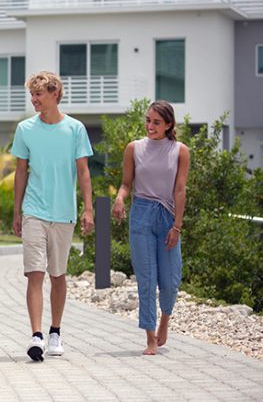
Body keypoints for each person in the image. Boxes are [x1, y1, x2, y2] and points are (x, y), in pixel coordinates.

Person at [11, 71, 94, 362]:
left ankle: (55, 332)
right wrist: (17, 210)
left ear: (54, 94)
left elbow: (83, 171)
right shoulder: (25, 129)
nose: (34, 100)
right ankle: (36, 335)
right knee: (34, 273)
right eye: (31, 95)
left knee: (57, 275)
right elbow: (21, 172)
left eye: (39, 95)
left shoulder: (75, 129)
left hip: (64, 213)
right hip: (34, 209)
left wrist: (88, 208)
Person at [112, 100, 190, 355]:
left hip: (168, 216)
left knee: (169, 280)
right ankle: (150, 338)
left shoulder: (180, 151)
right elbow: (126, 183)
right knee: (146, 279)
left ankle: (164, 322)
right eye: (148, 120)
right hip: (142, 215)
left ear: (169, 125)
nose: (150, 126)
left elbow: (180, 190)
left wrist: (177, 227)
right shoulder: (134, 148)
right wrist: (120, 198)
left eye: (156, 122)